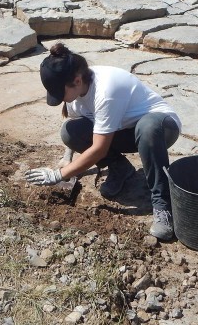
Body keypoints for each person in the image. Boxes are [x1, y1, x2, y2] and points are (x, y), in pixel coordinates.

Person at [25, 42, 182, 241]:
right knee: (70, 132)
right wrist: (68, 157)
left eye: (60, 93)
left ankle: (162, 204)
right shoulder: (76, 91)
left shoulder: (106, 91)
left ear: (77, 80)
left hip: (162, 128)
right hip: (124, 129)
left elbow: (99, 148)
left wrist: (58, 175)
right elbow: (73, 123)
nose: (61, 99)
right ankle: (120, 169)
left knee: (147, 127)